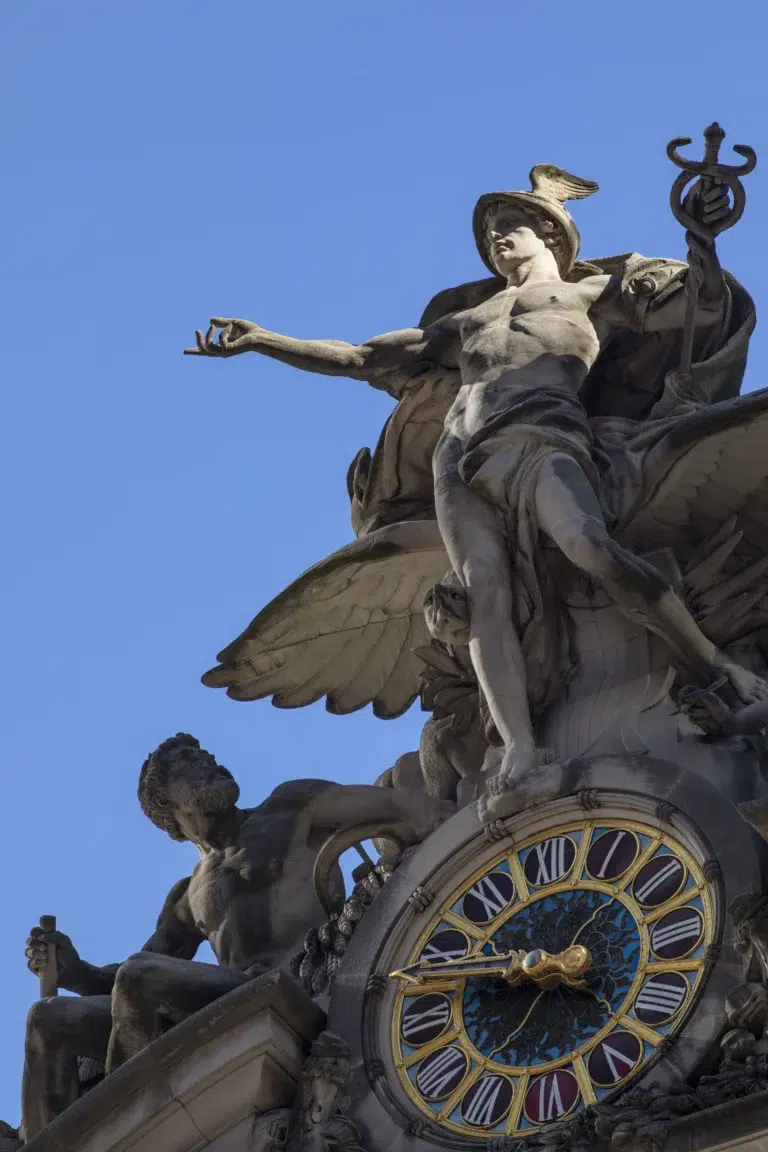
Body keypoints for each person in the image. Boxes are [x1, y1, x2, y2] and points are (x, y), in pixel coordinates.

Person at [187, 166, 764, 816]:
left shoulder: (590, 294)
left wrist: (703, 240)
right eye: (489, 234)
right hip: (458, 457)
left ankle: (709, 662)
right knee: (483, 593)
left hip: (542, 433)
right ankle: (519, 749)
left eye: (506, 227)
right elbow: (360, 358)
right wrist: (265, 340)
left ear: (549, 230)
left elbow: (700, 305)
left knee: (590, 546)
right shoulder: (466, 321)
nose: (496, 242)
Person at [16, 734, 450, 1141]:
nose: (210, 761)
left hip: (304, 981)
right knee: (47, 1020)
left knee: (139, 977)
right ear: (168, 802)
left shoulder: (290, 807)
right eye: (189, 762)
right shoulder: (187, 896)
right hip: (237, 999)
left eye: (205, 753)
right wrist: (75, 970)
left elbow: (399, 806)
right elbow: (132, 983)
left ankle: (130, 1134)